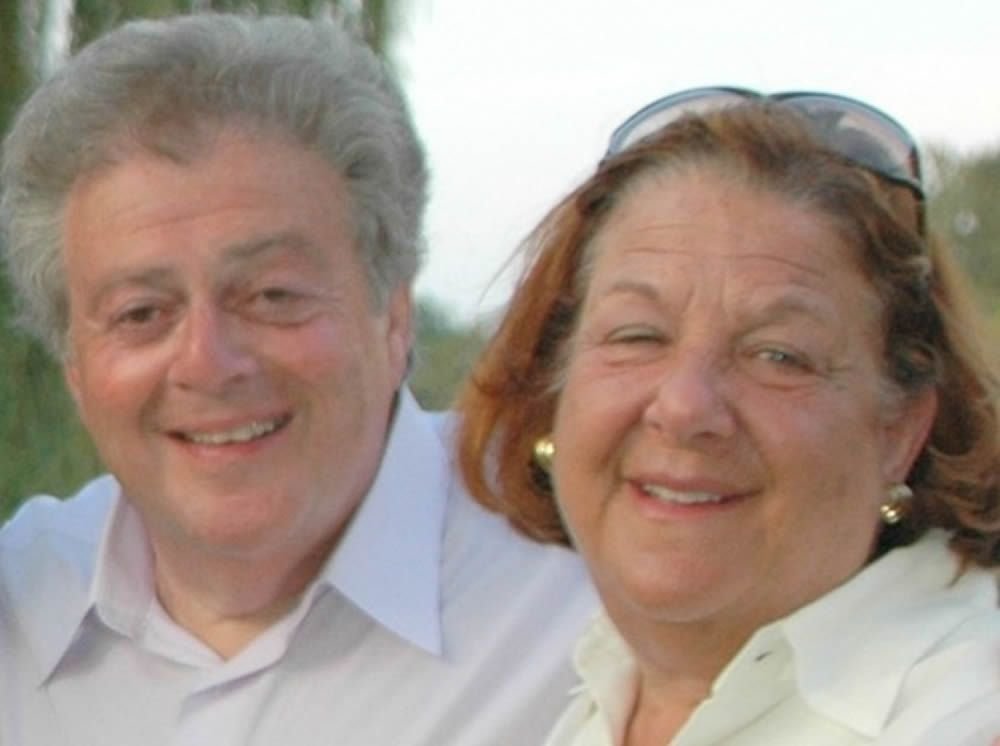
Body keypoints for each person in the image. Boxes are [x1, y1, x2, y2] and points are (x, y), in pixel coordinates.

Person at [0, 12, 595, 745]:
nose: (207, 362)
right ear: (75, 370)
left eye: (272, 295)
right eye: (141, 313)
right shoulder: (18, 602)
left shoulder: (591, 596)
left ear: (394, 318)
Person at [456, 87, 1000, 745]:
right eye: (638, 336)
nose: (684, 407)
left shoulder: (967, 713)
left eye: (779, 356)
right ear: (553, 389)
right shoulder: (604, 692)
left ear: (898, 431)